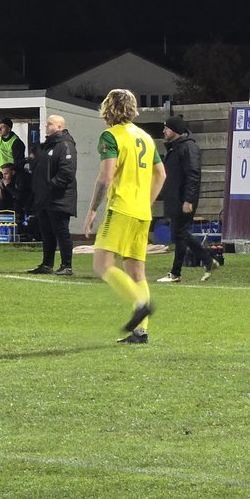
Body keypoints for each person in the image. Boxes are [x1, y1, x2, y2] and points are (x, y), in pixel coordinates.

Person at [83, 89, 166, 344]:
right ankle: (141, 332)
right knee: (136, 273)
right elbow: (161, 174)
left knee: (101, 264)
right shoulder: (146, 137)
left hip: (121, 209)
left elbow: (106, 177)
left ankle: (140, 303)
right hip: (142, 212)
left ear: (108, 108)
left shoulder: (111, 136)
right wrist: (146, 203)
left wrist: (93, 209)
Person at [156, 115, 219, 283]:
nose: (164, 131)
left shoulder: (187, 147)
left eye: (166, 128)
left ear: (175, 130)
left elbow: (193, 175)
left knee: (181, 234)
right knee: (180, 236)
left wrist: (189, 199)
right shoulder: (175, 147)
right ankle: (183, 270)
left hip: (183, 199)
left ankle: (202, 262)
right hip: (177, 198)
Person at [28, 115, 78, 275]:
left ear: (59, 127)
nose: (46, 126)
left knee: (61, 230)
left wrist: (51, 186)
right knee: (47, 231)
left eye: (49, 124)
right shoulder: (47, 146)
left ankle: (66, 265)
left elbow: (67, 172)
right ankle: (47, 264)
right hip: (45, 198)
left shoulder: (65, 144)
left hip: (59, 197)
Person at [0, 162, 31, 236]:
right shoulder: (4, 181)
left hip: (25, 202)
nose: (4, 177)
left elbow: (19, 196)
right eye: (3, 174)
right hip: (12, 202)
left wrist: (8, 186)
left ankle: (21, 227)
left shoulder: (21, 178)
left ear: (12, 172)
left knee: (17, 204)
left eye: (6, 174)